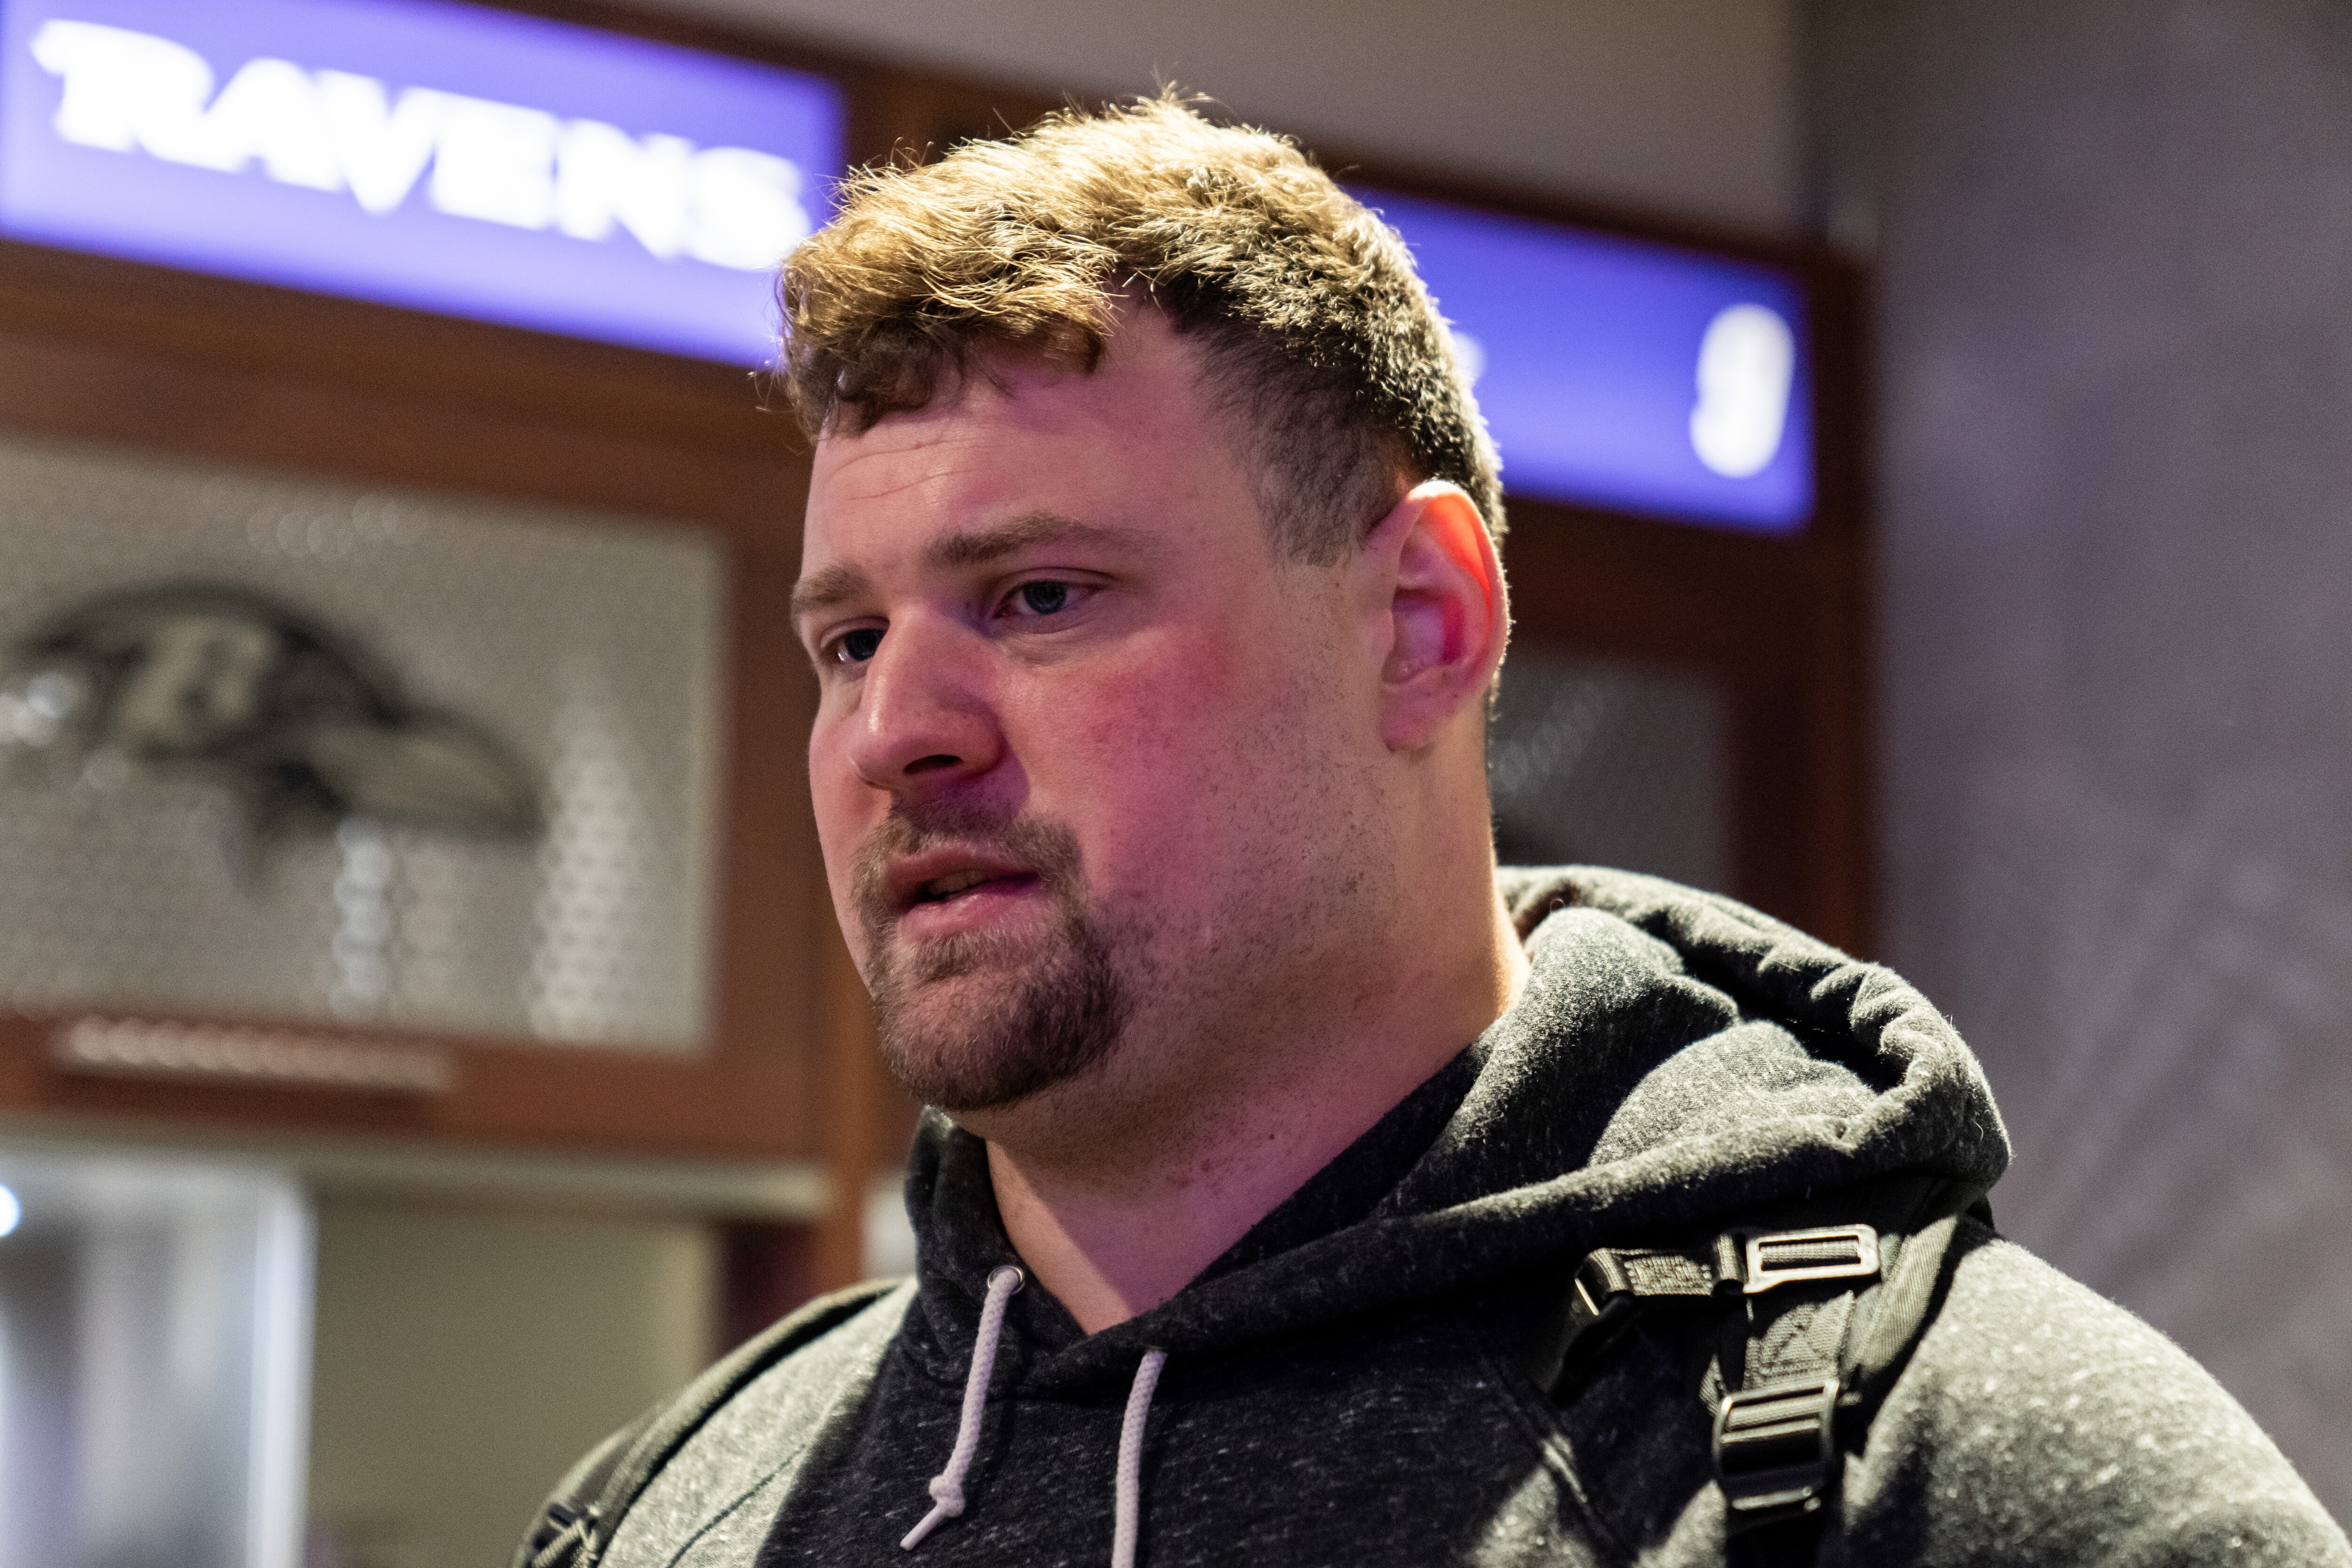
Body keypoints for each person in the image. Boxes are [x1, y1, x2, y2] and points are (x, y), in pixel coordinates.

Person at [517, 97, 2349, 1568]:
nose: (893, 732)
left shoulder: (1967, 1483)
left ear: (1417, 626)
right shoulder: (669, 1515)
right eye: (848, 641)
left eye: (1042, 596)